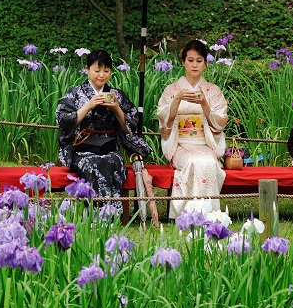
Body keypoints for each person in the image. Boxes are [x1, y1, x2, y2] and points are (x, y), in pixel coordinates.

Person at [55, 49, 152, 216]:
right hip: (81, 148)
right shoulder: (75, 94)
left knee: (113, 161)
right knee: (93, 163)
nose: (101, 75)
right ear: (87, 69)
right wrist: (88, 106)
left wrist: (117, 109)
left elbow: (131, 126)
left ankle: (112, 214)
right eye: (97, 70)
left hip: (109, 147)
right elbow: (63, 120)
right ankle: (96, 215)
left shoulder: (116, 95)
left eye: (106, 71)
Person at [156, 39, 229, 218]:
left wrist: (205, 104)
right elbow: (164, 119)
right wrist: (177, 100)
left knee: (209, 163)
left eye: (199, 60)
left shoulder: (213, 91)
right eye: (190, 60)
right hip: (180, 145)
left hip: (205, 144)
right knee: (193, 162)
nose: (194, 65)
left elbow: (220, 122)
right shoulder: (172, 90)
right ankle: (189, 214)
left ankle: (208, 214)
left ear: (205, 63)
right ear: (183, 62)